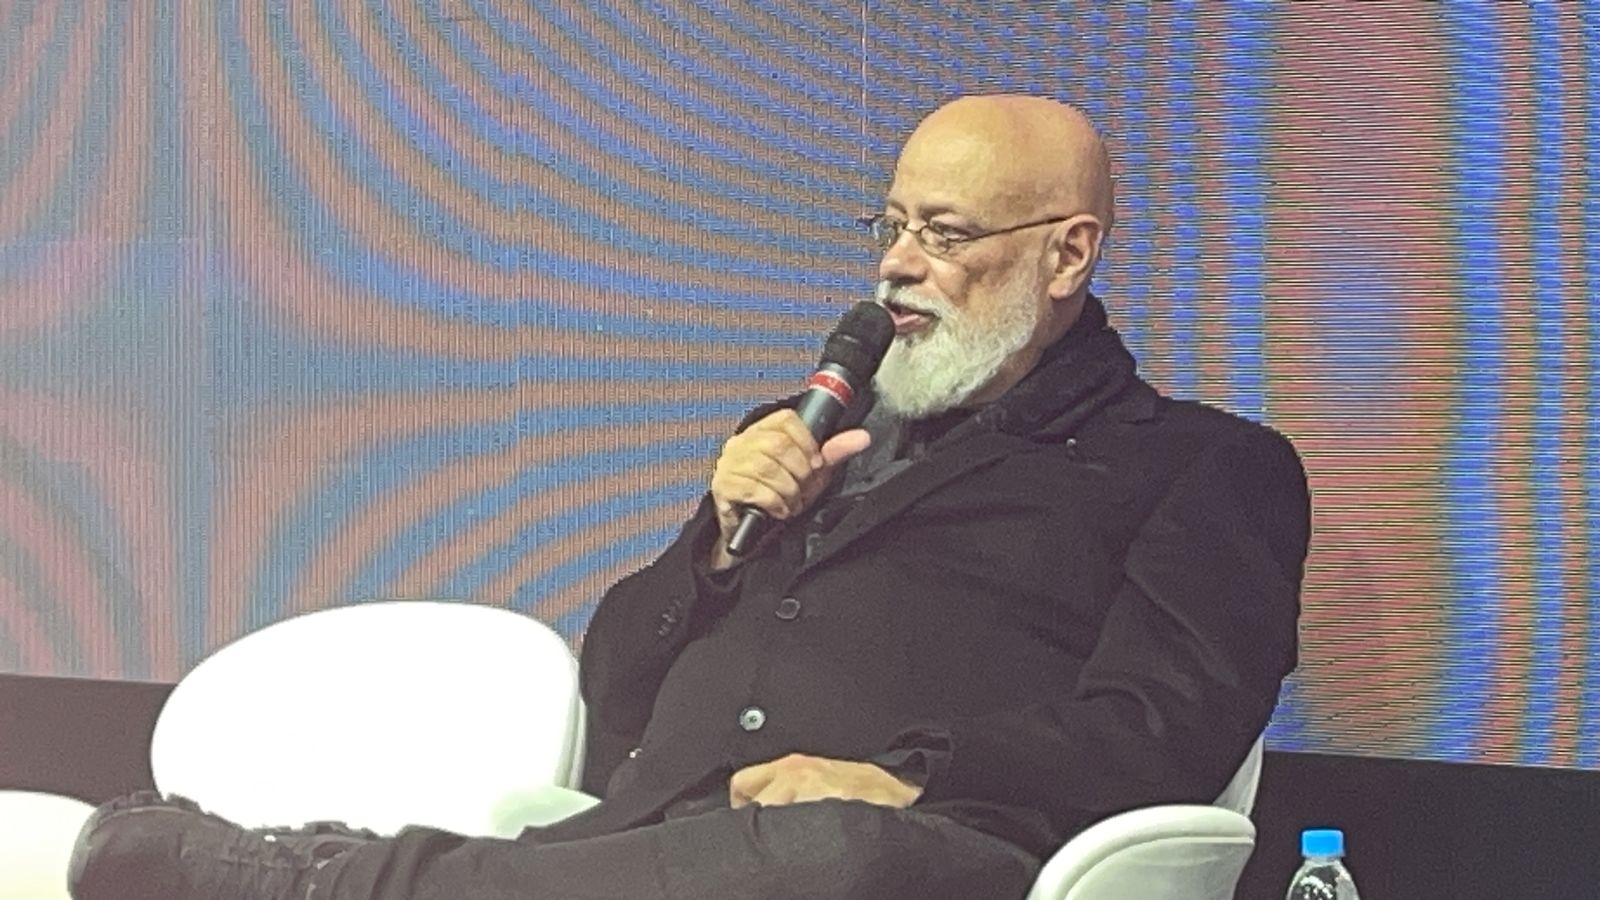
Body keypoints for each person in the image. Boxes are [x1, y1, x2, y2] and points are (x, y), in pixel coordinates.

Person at [67, 94, 1310, 900]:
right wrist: (716, 545)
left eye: (942, 233)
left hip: (918, 857)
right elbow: (616, 695)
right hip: (656, 844)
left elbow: (1167, 728)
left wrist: (907, 775)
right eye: (889, 225)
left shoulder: (1201, 465)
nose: (895, 265)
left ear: (1066, 252)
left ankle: (311, 880)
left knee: (828, 853)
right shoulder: (808, 436)